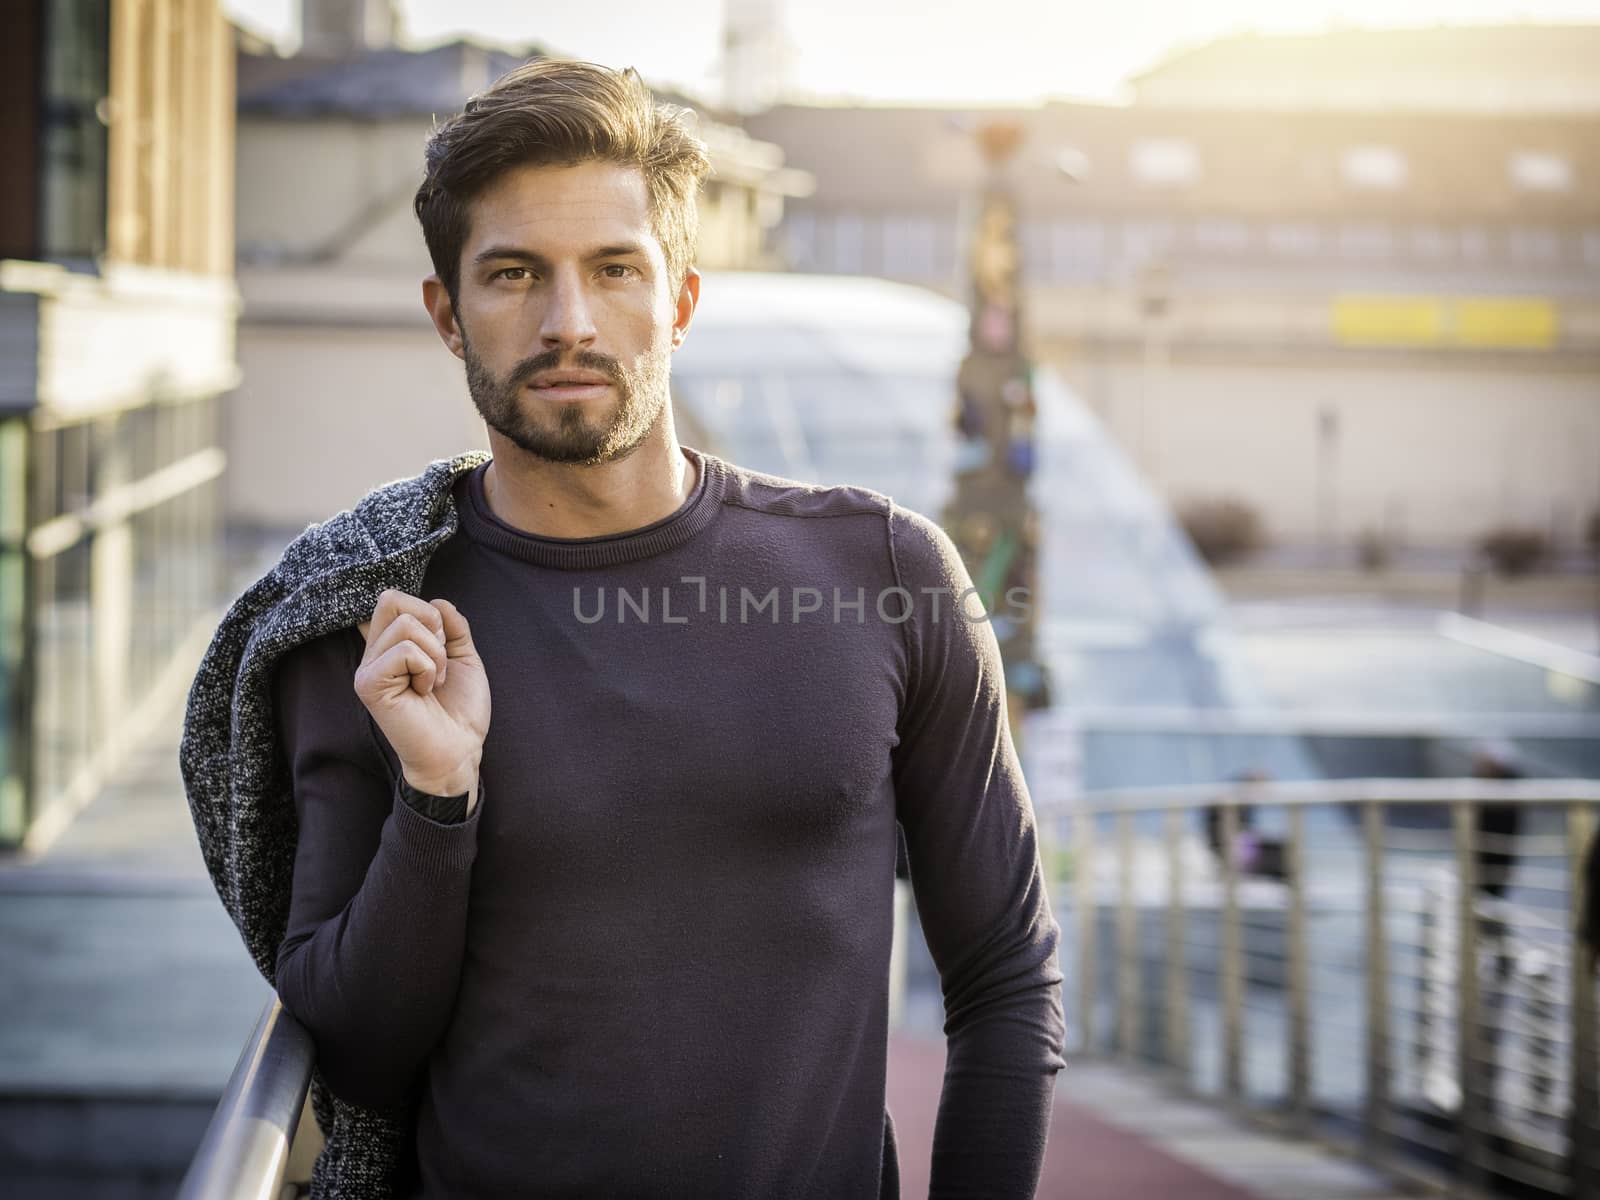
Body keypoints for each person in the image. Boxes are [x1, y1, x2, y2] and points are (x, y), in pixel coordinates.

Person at [180, 60, 1064, 1200]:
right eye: (512, 275)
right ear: (447, 315)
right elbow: (354, 1050)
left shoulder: (883, 574)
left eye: (613, 269)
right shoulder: (371, 630)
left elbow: (1003, 973)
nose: (568, 322)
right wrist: (436, 796)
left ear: (681, 300)